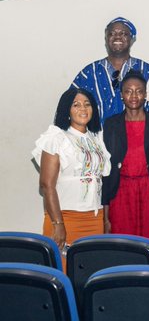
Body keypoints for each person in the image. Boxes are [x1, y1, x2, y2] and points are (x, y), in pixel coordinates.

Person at [34, 88, 109, 251]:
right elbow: (47, 185)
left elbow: (102, 180)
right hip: (65, 217)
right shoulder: (56, 137)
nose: (83, 108)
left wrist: (105, 220)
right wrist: (58, 224)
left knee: (89, 273)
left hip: (95, 218)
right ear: (67, 110)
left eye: (87, 104)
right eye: (76, 105)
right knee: (63, 271)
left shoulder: (97, 139)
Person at [102, 72, 149, 239]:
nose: (134, 95)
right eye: (128, 91)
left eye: (139, 91)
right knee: (123, 245)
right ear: (121, 95)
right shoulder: (111, 124)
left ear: (145, 95)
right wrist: (105, 212)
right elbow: (106, 169)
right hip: (121, 193)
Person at [72, 17, 149, 123]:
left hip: (140, 136)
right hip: (98, 138)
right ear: (106, 39)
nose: (117, 37)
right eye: (112, 34)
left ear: (131, 39)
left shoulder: (147, 71)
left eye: (123, 33)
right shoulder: (89, 73)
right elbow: (69, 105)